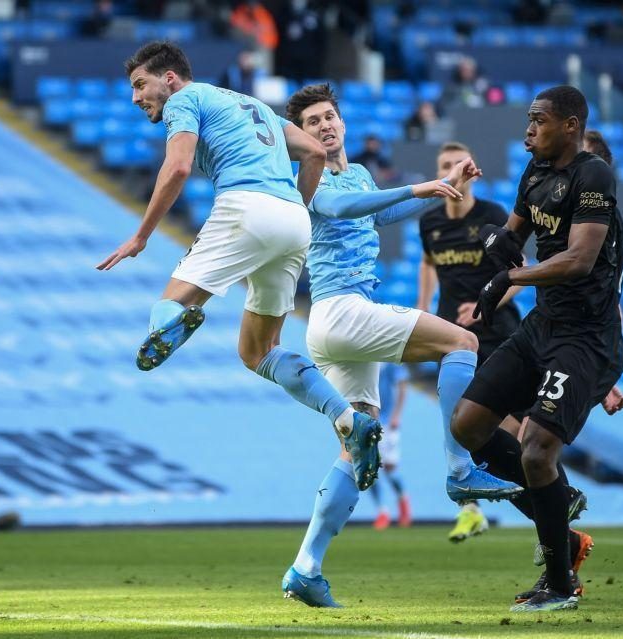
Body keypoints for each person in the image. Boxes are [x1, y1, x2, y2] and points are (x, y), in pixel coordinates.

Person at [98, 41, 383, 493]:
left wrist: (141, 236)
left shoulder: (186, 100)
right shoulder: (252, 104)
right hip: (292, 221)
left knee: (168, 305)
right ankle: (349, 418)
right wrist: (297, 209)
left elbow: (177, 167)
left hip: (244, 206)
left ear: (169, 79)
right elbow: (313, 152)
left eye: (140, 85)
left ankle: (181, 317)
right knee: (259, 351)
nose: (136, 97)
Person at [278, 83, 522, 608]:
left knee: (356, 447)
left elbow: (377, 213)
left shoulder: (362, 172)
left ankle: (305, 567)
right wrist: (419, 188)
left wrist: (444, 187)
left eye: (330, 117)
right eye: (313, 121)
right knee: (460, 341)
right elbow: (342, 209)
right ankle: (460, 470)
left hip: (341, 325)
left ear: (342, 123)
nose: (324, 126)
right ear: (301, 135)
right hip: (342, 310)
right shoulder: (307, 175)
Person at [450, 86, 623, 612]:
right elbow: (514, 238)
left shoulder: (593, 174)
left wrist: (510, 273)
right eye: (528, 121)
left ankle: (560, 582)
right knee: (468, 425)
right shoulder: (535, 175)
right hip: (542, 327)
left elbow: (577, 260)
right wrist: (495, 247)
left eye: (538, 121)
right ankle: (557, 508)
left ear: (570, 125)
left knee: (536, 451)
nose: (528, 130)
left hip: (586, 341)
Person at [417, 141, 527, 543]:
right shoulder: (429, 222)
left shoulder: (493, 218)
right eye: (443, 165)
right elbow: (428, 262)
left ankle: (540, 497)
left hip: (499, 334)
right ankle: (471, 509)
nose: (451, 170)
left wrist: (486, 303)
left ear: (471, 169)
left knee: (516, 429)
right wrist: (422, 308)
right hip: (453, 340)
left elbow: (522, 272)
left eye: (456, 164)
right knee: (459, 423)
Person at [369, 363, 410, 530]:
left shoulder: (388, 357)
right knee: (369, 469)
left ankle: (403, 501)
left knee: (390, 469)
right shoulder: (362, 354)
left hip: (387, 422)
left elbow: (402, 385)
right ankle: (382, 512)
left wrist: (397, 415)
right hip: (367, 422)